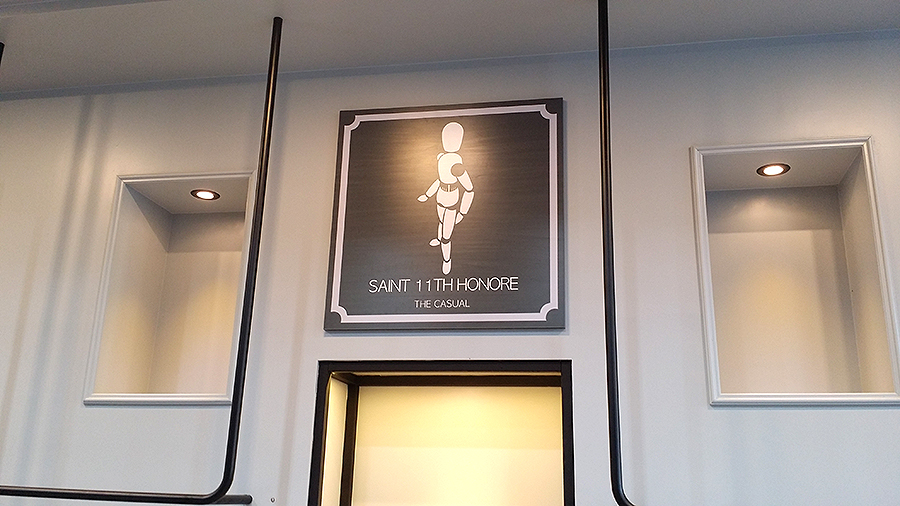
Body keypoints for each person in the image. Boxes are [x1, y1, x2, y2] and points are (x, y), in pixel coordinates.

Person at [417, 121, 475, 275]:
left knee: (446, 236)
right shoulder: (441, 158)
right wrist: (427, 194)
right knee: (441, 222)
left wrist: (462, 212)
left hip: (451, 201)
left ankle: (447, 260)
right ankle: (438, 239)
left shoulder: (457, 164)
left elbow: (469, 189)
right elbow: (439, 180)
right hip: (440, 197)